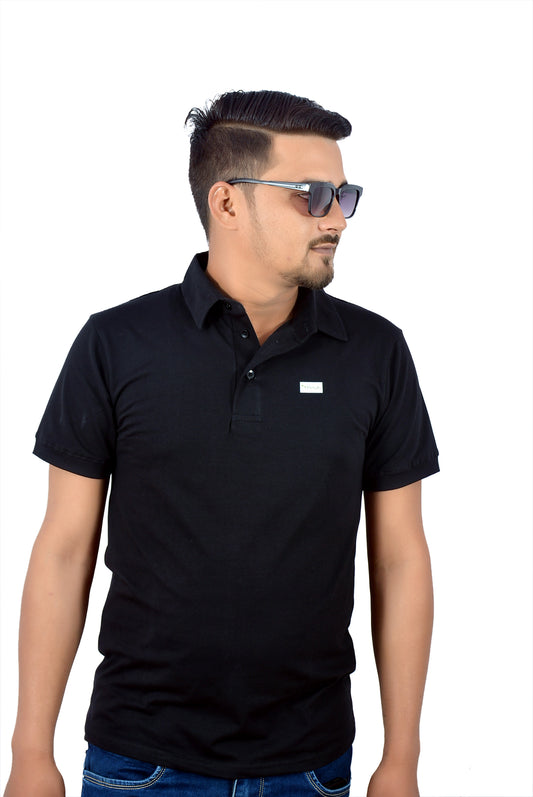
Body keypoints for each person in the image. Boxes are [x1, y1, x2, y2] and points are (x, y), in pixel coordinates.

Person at [4, 90, 439, 797]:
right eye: (313, 195)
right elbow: (62, 549)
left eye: (344, 195)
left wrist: (402, 759)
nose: (336, 218)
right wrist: (29, 751)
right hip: (139, 763)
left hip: (312, 764)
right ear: (228, 201)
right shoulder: (116, 344)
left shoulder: (375, 352)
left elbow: (399, 558)